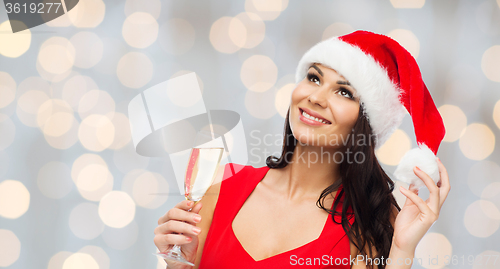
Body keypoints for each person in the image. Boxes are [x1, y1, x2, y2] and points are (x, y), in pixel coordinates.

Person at [154, 30, 451, 269]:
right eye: (314, 77)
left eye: (344, 92)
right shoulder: (219, 187)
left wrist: (402, 251)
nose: (316, 97)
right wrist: (176, 263)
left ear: (366, 123)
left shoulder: (367, 223)